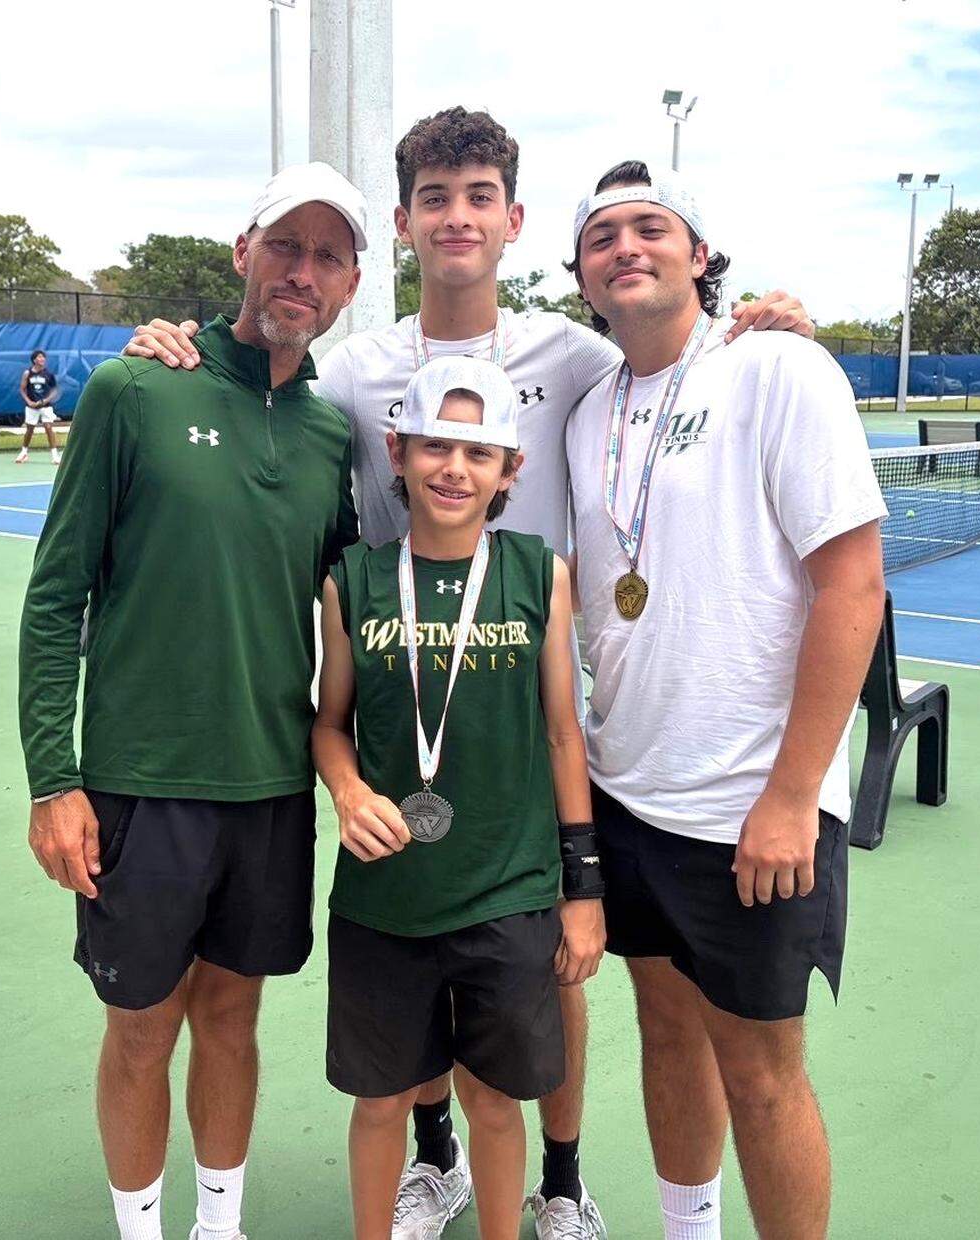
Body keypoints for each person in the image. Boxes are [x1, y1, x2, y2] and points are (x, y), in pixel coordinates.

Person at [126, 105, 816, 1240]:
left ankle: (562, 1174)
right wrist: (180, 339)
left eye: (479, 197)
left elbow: (675, 347)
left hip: (535, 715)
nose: (457, 217)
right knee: (413, 956)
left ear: (513, 221)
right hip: (400, 710)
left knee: (549, 966)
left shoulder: (576, 352)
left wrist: (762, 322)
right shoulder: (354, 372)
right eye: (435, 198)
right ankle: (434, 1156)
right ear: (402, 225)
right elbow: (262, 384)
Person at [18, 161, 366, 1240]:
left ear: (351, 284)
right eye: (285, 247)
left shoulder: (329, 436)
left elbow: (355, 620)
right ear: (243, 254)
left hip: (268, 787)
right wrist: (53, 779)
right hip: (138, 785)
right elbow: (54, 598)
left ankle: (219, 1224)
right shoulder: (135, 390)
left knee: (234, 1016)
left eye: (327, 257)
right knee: (139, 1030)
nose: (301, 273)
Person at [565, 161, 887, 1240]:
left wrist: (794, 794)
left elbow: (854, 582)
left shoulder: (778, 369)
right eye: (602, 236)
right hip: (628, 792)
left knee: (762, 1070)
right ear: (580, 275)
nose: (626, 248)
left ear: (699, 255)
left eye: (650, 228)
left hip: (754, 805)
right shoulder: (587, 410)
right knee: (664, 1025)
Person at [313, 355, 606, 1240]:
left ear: (511, 471)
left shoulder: (539, 574)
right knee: (378, 1104)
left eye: (479, 453)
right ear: (396, 453)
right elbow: (328, 724)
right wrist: (348, 786)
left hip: (506, 892)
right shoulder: (352, 581)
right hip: (384, 900)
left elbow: (563, 733)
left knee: (495, 1100)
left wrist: (582, 889)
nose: (454, 468)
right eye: (435, 445)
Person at [16, 348, 62, 464]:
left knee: (48, 427)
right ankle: (24, 453)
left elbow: (54, 390)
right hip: (32, 407)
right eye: (39, 357)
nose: (42, 359)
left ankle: (55, 455)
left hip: (46, 407)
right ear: (34, 360)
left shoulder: (48, 374)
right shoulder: (27, 373)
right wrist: (29, 402)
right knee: (29, 430)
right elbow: (22, 389)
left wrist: (46, 400)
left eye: (43, 357)